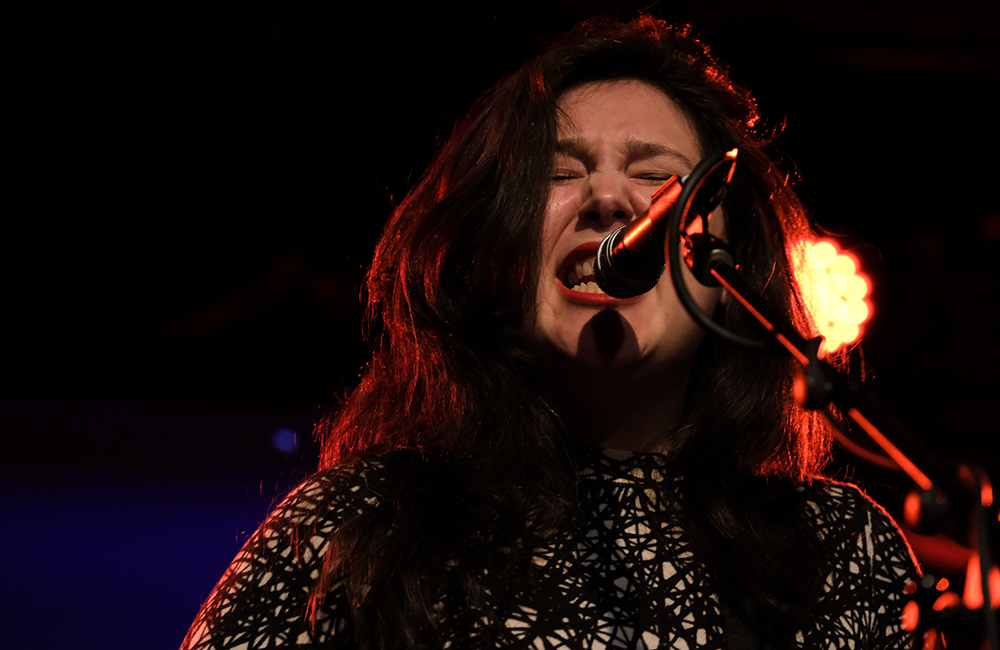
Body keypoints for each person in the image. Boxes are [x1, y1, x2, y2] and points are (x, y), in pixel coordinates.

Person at [181, 15, 920, 650]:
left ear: (730, 257)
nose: (608, 197)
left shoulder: (837, 549)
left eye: (657, 178)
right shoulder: (359, 525)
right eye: (559, 174)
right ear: (491, 252)